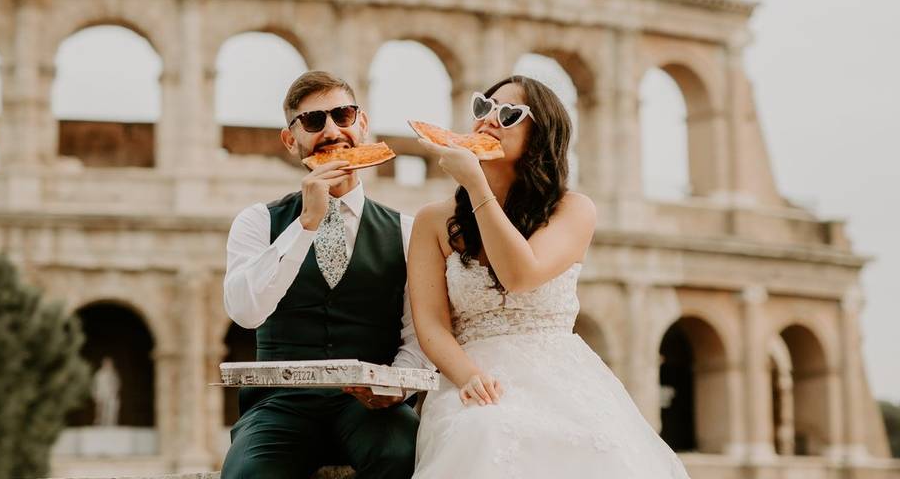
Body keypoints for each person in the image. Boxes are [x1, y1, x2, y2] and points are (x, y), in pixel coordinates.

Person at [408, 75, 691, 478]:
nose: (489, 120)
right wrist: (468, 376)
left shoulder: (573, 210)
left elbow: (520, 275)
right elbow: (431, 324)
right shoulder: (433, 221)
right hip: (471, 376)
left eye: (508, 114)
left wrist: (475, 185)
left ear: (541, 135)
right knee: (485, 431)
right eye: (482, 108)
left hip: (560, 376)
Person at [221, 71, 429, 479]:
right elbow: (246, 312)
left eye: (344, 115)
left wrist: (396, 387)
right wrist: (305, 225)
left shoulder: (406, 231)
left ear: (362, 124)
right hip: (279, 405)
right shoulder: (257, 222)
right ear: (290, 140)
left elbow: (418, 335)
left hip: (371, 409)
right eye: (314, 122)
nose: (333, 131)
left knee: (404, 456)